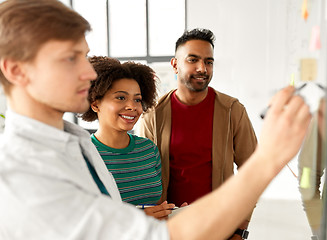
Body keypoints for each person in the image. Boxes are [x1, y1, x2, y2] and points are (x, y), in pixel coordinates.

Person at [0, 0, 311, 239]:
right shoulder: (21, 176)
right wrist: (269, 158)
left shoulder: (74, 144)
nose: (90, 73)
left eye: (85, 55)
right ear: (15, 70)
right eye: (70, 58)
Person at [138, 28, 258, 237]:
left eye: (208, 62)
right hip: (170, 227)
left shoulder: (232, 110)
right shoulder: (153, 115)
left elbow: (254, 171)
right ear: (175, 64)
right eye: (193, 60)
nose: (202, 68)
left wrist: (240, 229)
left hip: (221, 225)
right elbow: (145, 176)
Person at [81, 56, 176, 219]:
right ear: (95, 103)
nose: (132, 106)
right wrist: (137, 218)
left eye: (137, 99)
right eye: (121, 97)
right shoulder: (84, 155)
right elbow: (82, 220)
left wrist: (175, 212)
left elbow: (158, 207)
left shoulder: (148, 150)